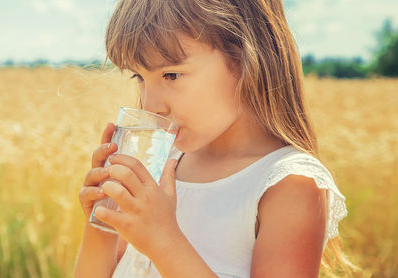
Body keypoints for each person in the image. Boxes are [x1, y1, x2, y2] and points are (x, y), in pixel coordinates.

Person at [74, 0, 359, 277]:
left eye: (171, 75)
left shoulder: (288, 184)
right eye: (139, 77)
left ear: (245, 58)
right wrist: (102, 225)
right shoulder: (161, 166)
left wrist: (163, 240)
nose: (150, 105)